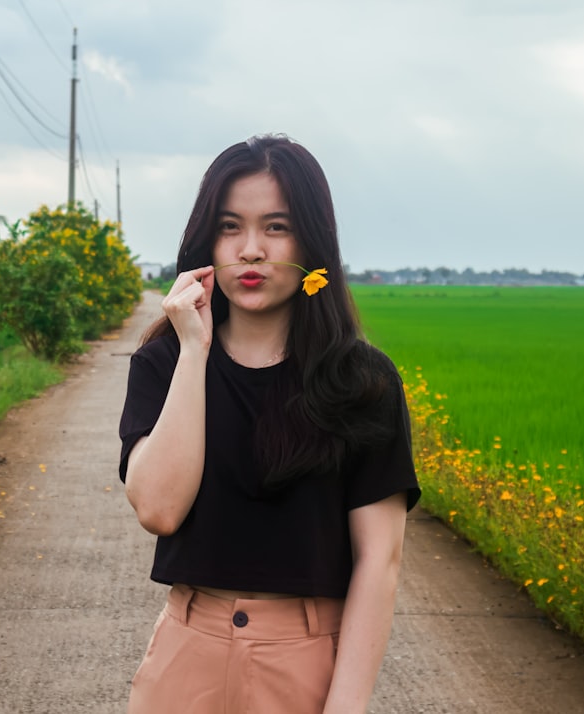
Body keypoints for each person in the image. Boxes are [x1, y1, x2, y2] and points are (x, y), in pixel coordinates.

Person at [118, 134, 420, 713]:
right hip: (186, 655)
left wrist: (346, 705)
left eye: (275, 227)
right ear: (207, 239)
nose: (251, 249)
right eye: (230, 227)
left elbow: (379, 562)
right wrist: (192, 350)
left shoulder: (363, 381)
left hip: (306, 662)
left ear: (312, 242)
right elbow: (158, 509)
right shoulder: (163, 362)